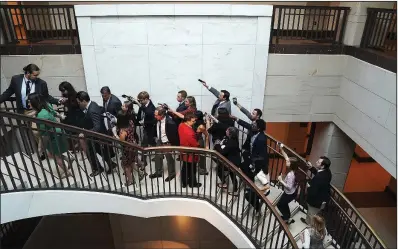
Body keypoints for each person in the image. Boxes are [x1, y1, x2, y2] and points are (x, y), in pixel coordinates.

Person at [0, 64, 61, 159]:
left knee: (36, 132)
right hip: (23, 111)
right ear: (28, 73)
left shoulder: (41, 83)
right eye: (35, 75)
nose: (36, 77)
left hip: (36, 111)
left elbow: (46, 97)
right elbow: (8, 92)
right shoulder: (16, 79)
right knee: (33, 133)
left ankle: (44, 150)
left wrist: (57, 101)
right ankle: (43, 150)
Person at [28, 93, 72, 178]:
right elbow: (54, 113)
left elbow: (44, 134)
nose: (28, 104)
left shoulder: (41, 115)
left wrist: (41, 147)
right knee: (52, 154)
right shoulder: (46, 106)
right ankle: (67, 159)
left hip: (53, 136)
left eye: (30, 102)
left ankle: (67, 172)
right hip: (57, 132)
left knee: (55, 156)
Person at [76, 91, 117, 176]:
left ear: (84, 101)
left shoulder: (92, 110)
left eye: (79, 102)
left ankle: (98, 168)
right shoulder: (93, 104)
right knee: (99, 150)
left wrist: (86, 133)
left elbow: (97, 126)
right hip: (95, 134)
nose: (78, 104)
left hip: (95, 135)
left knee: (91, 151)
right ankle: (109, 164)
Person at [58, 81, 86, 161]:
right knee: (70, 134)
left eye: (63, 90)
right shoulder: (65, 96)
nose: (62, 92)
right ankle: (74, 148)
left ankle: (84, 152)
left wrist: (66, 102)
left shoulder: (75, 96)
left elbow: (77, 107)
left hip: (76, 117)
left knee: (80, 135)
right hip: (69, 117)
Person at [150, 106, 179, 182]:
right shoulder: (156, 120)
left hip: (167, 142)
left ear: (162, 115)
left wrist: (172, 145)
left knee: (169, 158)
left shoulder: (170, 123)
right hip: (159, 141)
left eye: (156, 115)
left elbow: (174, 135)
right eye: (155, 114)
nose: (154, 116)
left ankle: (172, 173)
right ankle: (158, 172)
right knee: (157, 157)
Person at [301, 157, 332, 225]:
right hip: (322, 198)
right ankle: (307, 221)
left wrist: (308, 187)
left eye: (318, 162)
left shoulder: (319, 177)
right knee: (312, 213)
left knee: (311, 214)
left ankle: (310, 227)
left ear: (323, 166)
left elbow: (313, 192)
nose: (316, 162)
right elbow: (318, 173)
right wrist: (311, 168)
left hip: (316, 201)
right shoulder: (327, 172)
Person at [178, 112, 202, 188]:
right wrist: (198, 133)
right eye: (193, 121)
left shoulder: (181, 125)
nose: (194, 122)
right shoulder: (189, 132)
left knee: (185, 167)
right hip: (191, 154)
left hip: (184, 151)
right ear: (187, 120)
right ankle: (192, 183)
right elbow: (195, 144)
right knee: (192, 169)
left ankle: (184, 183)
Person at [214, 127, 240, 195]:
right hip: (235, 160)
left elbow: (222, 152)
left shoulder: (231, 142)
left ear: (230, 133)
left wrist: (217, 145)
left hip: (231, 162)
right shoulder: (234, 139)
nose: (226, 131)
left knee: (219, 169)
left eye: (227, 130)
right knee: (232, 174)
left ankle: (224, 184)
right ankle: (235, 190)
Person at [277, 143, 299, 225]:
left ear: (291, 164)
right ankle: (288, 217)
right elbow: (286, 157)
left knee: (280, 205)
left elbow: (289, 187)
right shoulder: (293, 169)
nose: (286, 161)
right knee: (284, 204)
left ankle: (287, 218)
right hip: (291, 192)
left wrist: (280, 180)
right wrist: (281, 148)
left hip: (289, 193)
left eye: (288, 161)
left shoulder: (290, 175)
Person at [116, 110, 139, 187]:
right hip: (133, 144)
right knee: (132, 161)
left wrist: (115, 137)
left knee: (125, 165)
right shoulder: (131, 123)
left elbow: (121, 142)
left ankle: (130, 180)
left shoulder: (123, 131)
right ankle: (140, 173)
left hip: (127, 149)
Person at [193, 110, 209, 175]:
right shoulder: (192, 122)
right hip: (193, 140)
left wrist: (207, 146)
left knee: (202, 156)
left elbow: (207, 135)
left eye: (194, 116)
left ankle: (202, 170)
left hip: (199, 141)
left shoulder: (201, 126)